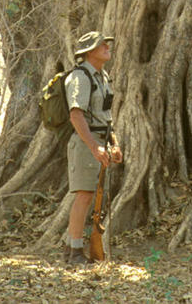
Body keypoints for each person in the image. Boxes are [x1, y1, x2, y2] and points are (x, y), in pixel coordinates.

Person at [63, 31, 122, 266]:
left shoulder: (102, 76)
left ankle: (72, 250)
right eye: (101, 45)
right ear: (89, 52)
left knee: (92, 197)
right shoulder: (80, 77)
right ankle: (75, 251)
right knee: (84, 196)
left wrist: (114, 145)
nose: (107, 46)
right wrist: (94, 147)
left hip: (100, 141)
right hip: (86, 143)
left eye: (107, 43)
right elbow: (76, 115)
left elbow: (106, 117)